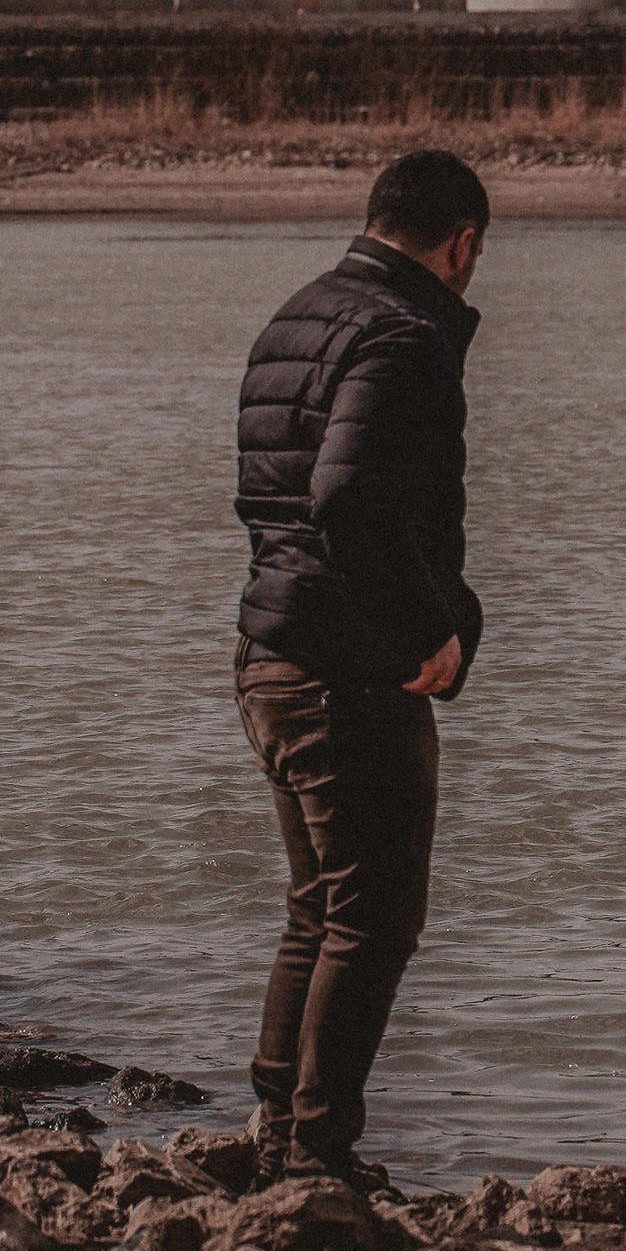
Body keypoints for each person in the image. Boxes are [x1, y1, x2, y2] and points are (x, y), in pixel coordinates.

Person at [231, 147, 490, 1186]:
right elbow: (344, 499)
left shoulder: (298, 313)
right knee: (374, 919)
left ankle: (277, 1123)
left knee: (319, 908)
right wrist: (425, 630)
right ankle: (316, 1155)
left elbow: (285, 495)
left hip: (268, 653)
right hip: (343, 668)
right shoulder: (402, 335)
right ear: (460, 244)